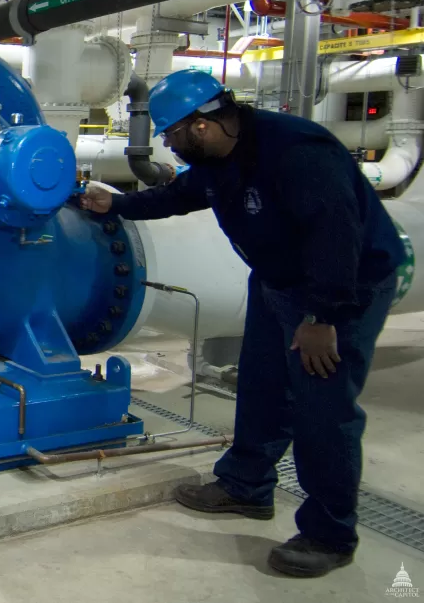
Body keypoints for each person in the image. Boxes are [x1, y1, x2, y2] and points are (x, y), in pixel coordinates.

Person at [81, 69, 404, 578]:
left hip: (342, 292)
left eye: (171, 134)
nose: (169, 144)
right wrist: (118, 204)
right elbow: (181, 194)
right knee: (263, 386)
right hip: (277, 281)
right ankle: (246, 486)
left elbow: (335, 237)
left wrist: (322, 317)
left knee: (322, 409)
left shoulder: (296, 153)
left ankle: (329, 533)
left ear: (202, 126)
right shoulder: (220, 156)